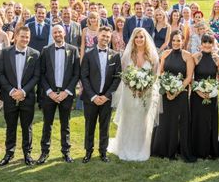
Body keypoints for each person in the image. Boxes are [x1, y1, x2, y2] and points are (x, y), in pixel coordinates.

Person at [108, 28, 160, 162]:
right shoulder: (127, 55)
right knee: (129, 118)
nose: (139, 40)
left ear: (145, 39)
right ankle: (125, 147)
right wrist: (133, 88)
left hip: (146, 94)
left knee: (143, 119)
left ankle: (141, 148)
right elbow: (124, 75)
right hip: (129, 93)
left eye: (141, 37)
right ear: (133, 39)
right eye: (136, 37)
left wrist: (144, 87)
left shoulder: (153, 56)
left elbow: (154, 76)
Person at [0, 26, 41, 166]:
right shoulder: (5, 52)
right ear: (16, 36)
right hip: (9, 97)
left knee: (27, 126)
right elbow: (0, 74)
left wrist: (23, 92)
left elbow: (36, 76)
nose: (25, 39)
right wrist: (11, 91)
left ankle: (27, 154)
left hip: (27, 97)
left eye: (27, 37)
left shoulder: (35, 54)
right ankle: (9, 153)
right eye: (22, 36)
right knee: (10, 126)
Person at [37, 25, 80, 164]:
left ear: (64, 33)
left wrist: (66, 92)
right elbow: (41, 73)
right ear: (52, 34)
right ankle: (44, 152)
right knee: (47, 124)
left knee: (65, 124)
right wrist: (49, 92)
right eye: (55, 32)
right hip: (50, 93)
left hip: (66, 93)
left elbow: (76, 74)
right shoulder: (45, 50)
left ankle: (66, 151)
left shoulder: (73, 50)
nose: (57, 34)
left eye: (60, 32)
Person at [151, 30, 195, 161]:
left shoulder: (188, 56)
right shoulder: (165, 54)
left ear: (182, 41)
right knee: (164, 120)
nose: (176, 43)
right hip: (165, 93)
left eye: (178, 40)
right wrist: (166, 88)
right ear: (170, 41)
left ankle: (176, 149)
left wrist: (176, 91)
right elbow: (161, 72)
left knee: (179, 121)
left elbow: (188, 77)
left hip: (181, 93)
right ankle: (161, 148)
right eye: (174, 40)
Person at [80, 26, 122, 163]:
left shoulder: (115, 55)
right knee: (89, 125)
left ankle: (103, 152)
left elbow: (117, 77)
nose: (105, 38)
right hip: (90, 98)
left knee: (105, 126)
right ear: (98, 36)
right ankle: (88, 151)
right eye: (103, 36)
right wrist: (93, 96)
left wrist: (106, 96)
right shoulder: (88, 54)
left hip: (107, 98)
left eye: (108, 37)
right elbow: (84, 77)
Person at [190, 34, 219, 160]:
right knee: (197, 121)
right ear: (201, 43)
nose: (207, 45)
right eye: (205, 42)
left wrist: (212, 90)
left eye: (210, 42)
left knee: (209, 122)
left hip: (211, 95)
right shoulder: (195, 57)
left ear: (213, 44)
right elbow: (191, 77)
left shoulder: (218, 59)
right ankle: (196, 149)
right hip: (197, 95)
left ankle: (210, 150)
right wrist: (198, 90)